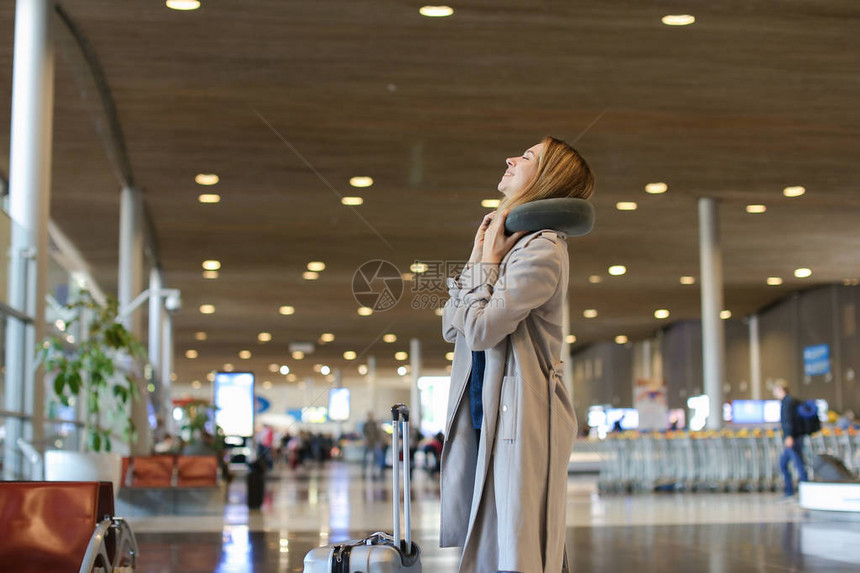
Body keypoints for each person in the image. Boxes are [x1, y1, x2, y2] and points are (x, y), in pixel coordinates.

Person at [440, 136, 594, 573]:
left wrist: (485, 266)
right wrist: (480, 255)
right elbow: (452, 325)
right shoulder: (501, 241)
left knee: (518, 541)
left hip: (522, 410)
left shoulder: (541, 248)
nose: (510, 158)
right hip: (489, 406)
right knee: (504, 538)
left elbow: (483, 329)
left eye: (526, 157)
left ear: (546, 178)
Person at [773, 380, 808, 497]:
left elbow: (788, 421)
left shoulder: (787, 402)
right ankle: (791, 491)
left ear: (780, 389)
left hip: (792, 438)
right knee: (787, 463)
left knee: (798, 464)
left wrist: (788, 436)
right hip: (795, 437)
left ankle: (802, 491)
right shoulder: (792, 401)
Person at [362, 412, 384, 479]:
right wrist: (366, 440)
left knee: (375, 458)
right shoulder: (365, 424)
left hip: (373, 443)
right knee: (365, 458)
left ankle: (374, 473)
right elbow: (364, 433)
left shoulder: (374, 424)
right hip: (367, 443)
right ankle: (364, 472)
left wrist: (377, 442)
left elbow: (377, 434)